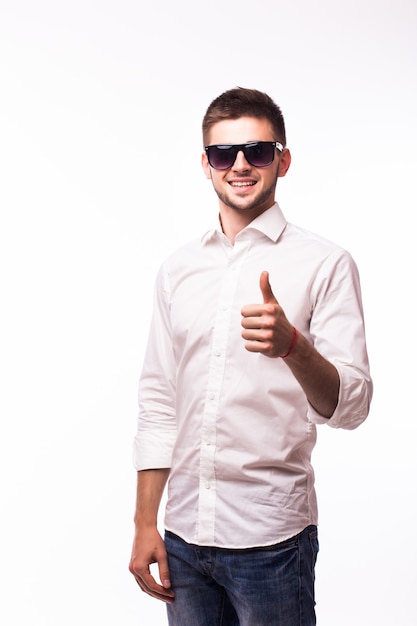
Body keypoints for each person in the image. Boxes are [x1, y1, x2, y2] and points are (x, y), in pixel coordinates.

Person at [129, 87, 372, 626]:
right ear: (206, 165)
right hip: (184, 536)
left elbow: (352, 406)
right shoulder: (177, 269)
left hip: (272, 541)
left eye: (257, 151)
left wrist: (293, 347)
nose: (239, 164)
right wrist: (147, 521)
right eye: (223, 154)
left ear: (282, 160)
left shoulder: (325, 263)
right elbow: (158, 400)